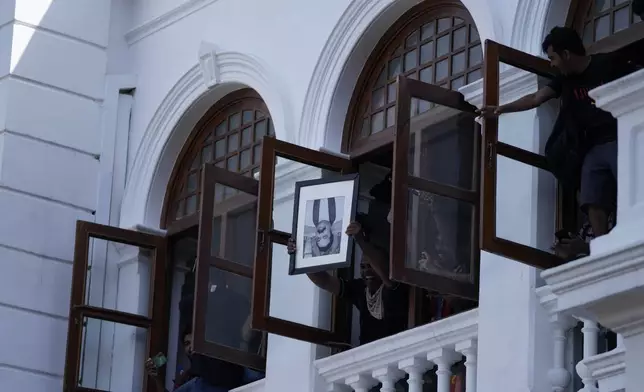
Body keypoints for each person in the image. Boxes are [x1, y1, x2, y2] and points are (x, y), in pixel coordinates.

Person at [479, 26, 638, 239]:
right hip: (591, 147)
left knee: (632, 188)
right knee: (591, 199)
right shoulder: (565, 80)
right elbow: (535, 98)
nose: (552, 64)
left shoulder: (608, 64)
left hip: (621, 138)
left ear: (566, 54)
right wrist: (500, 109)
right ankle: (602, 246)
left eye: (553, 58)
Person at [288, 221, 408, 345]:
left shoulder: (396, 287)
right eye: (363, 266)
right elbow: (325, 281)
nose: (367, 270)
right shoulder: (360, 289)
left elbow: (385, 273)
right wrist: (301, 254)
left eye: (370, 266)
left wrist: (360, 239)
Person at [145, 324, 244, 392]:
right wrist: (157, 378)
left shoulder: (225, 371)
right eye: (187, 343)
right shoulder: (185, 377)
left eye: (194, 342)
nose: (191, 347)